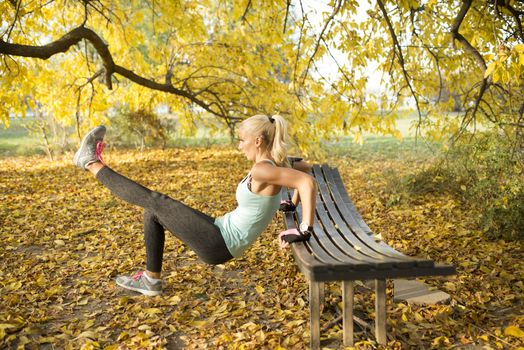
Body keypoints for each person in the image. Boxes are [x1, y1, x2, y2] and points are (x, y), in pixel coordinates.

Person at [73, 115, 317, 296]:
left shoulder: (263, 169)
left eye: (241, 140)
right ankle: (151, 280)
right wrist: (289, 202)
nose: (239, 146)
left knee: (156, 200)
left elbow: (306, 181)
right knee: (154, 211)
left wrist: (303, 228)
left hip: (220, 243)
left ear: (257, 140)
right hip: (220, 228)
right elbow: (306, 169)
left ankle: (91, 163)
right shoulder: (274, 164)